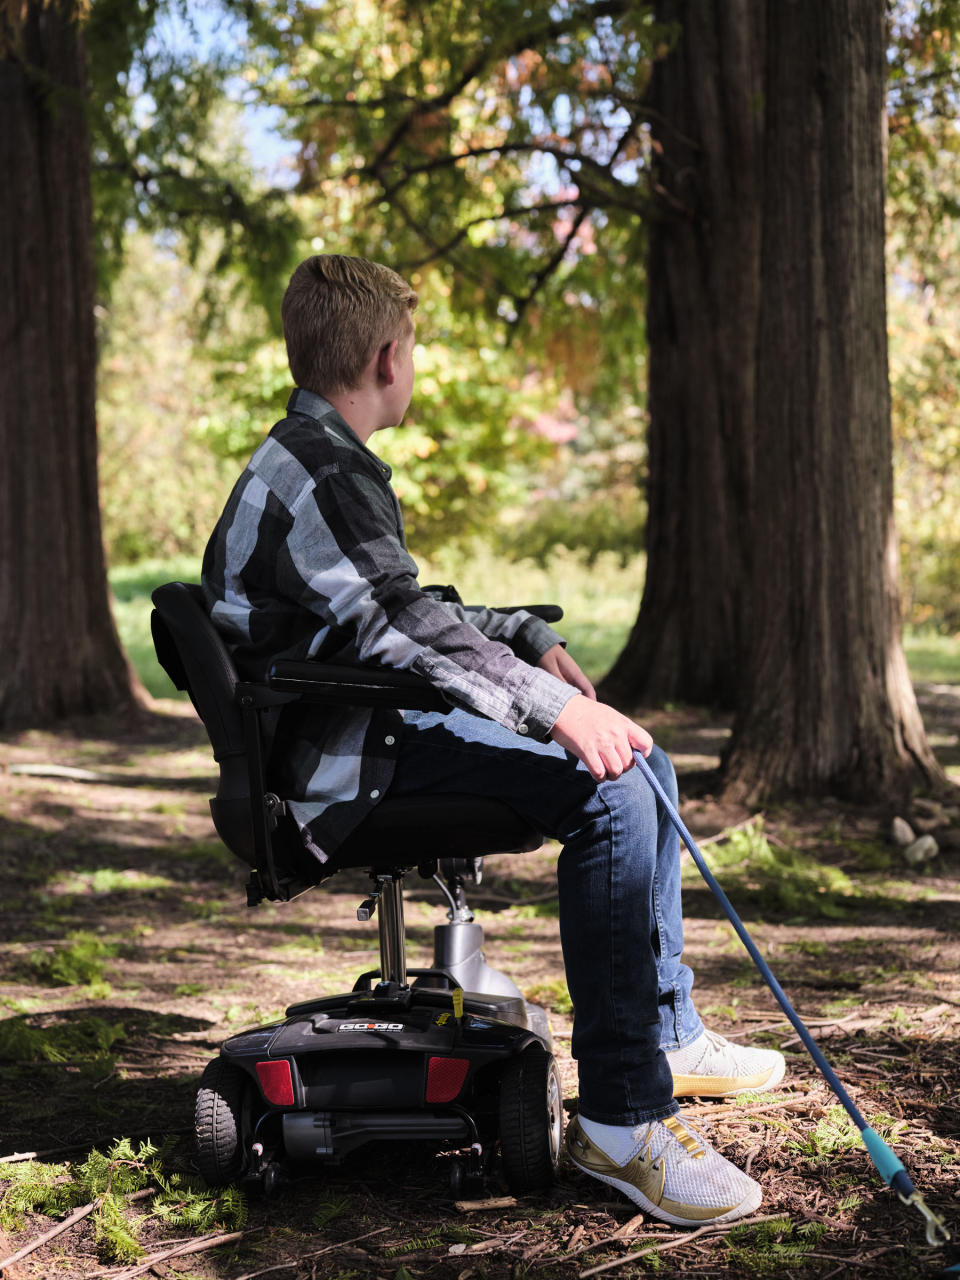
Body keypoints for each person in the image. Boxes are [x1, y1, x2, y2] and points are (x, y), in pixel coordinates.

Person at [202, 254, 785, 1227]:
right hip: (343, 761)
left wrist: (521, 634)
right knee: (613, 786)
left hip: (343, 724)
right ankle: (623, 1120)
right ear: (389, 358)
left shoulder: (309, 456)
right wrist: (553, 710)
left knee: (641, 759)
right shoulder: (328, 472)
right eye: (415, 347)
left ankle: (664, 1037)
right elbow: (404, 627)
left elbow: (390, 609)